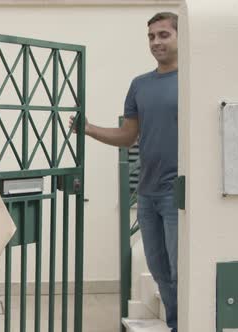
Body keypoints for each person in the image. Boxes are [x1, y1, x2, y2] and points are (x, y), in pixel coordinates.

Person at [70, 12, 179, 332]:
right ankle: (175, 325)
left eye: (163, 35)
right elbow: (128, 136)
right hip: (147, 192)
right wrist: (87, 129)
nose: (156, 42)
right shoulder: (140, 85)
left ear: (180, 36)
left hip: (179, 193)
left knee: (179, 270)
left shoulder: (194, 79)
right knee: (160, 271)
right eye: (151, 37)